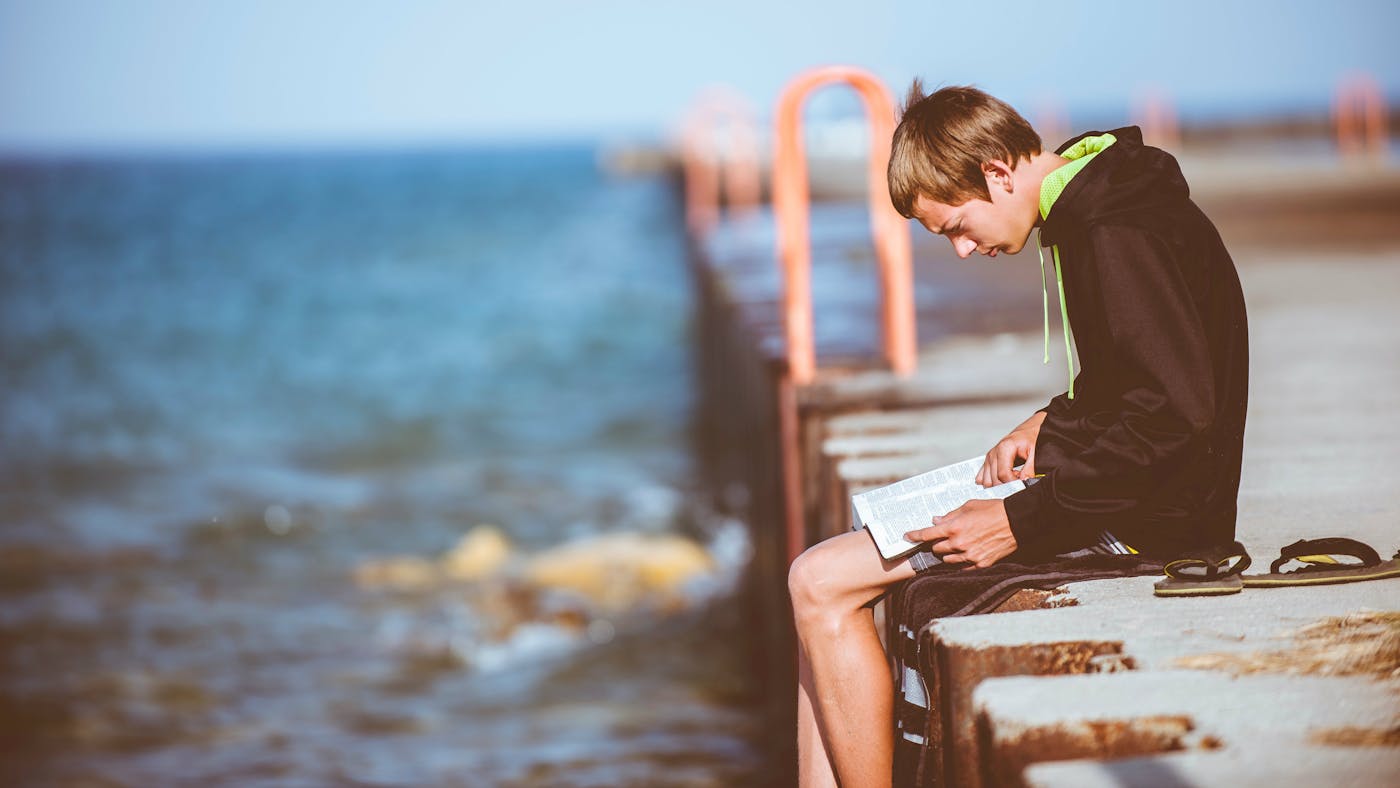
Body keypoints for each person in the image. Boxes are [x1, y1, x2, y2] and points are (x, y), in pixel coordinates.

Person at [787, 82, 1249, 788]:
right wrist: (1051, 423)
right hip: (1128, 498)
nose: (964, 251)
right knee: (817, 587)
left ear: (998, 172)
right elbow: (1141, 379)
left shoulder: (1113, 230)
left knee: (820, 584)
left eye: (956, 227)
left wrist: (1016, 520)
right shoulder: (1098, 205)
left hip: (1156, 526)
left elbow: (1178, 416)